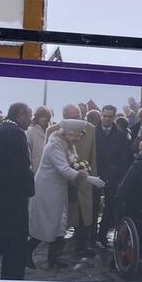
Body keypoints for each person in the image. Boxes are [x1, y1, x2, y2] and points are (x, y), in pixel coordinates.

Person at [29, 119, 104, 268]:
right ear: (69, 133)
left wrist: (82, 170)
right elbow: (63, 168)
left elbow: (73, 163)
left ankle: (53, 258)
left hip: (57, 188)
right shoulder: (54, 146)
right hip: (48, 189)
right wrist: (89, 178)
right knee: (49, 224)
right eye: (77, 135)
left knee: (58, 224)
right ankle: (27, 252)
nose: (78, 139)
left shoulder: (67, 145)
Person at [0, 103, 35, 280]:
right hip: (12, 199)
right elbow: (22, 167)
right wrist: (30, 189)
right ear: (21, 114)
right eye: (29, 116)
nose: (30, 120)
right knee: (14, 247)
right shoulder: (16, 133)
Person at [48, 104, 98, 256]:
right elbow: (49, 158)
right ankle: (56, 250)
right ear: (64, 117)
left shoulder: (90, 129)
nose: (77, 120)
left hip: (83, 177)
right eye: (72, 118)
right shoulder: (53, 131)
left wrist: (93, 177)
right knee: (60, 215)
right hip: (61, 179)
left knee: (84, 213)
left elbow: (93, 154)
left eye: (78, 117)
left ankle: (82, 244)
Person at [95, 105, 133, 246]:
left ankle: (102, 234)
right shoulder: (92, 132)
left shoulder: (120, 136)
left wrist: (121, 178)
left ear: (114, 117)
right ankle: (90, 236)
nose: (107, 119)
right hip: (95, 175)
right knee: (93, 206)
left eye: (110, 116)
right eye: (104, 116)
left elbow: (124, 159)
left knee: (110, 207)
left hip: (112, 176)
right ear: (101, 115)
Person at [26, 106, 52, 174]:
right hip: (36, 168)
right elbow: (28, 151)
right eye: (41, 117)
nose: (44, 119)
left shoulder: (51, 131)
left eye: (46, 117)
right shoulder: (30, 131)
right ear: (37, 117)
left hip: (50, 168)